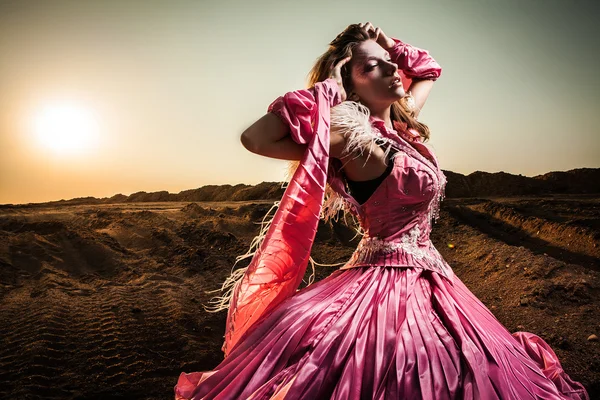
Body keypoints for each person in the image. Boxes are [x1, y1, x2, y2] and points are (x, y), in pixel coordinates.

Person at [174, 22, 590, 400]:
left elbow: (428, 69)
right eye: (372, 67)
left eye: (391, 64)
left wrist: (387, 45)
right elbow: (255, 137)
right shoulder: (349, 136)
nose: (392, 69)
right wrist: (328, 91)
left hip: (433, 273)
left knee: (472, 362)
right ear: (350, 85)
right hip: (382, 277)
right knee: (400, 367)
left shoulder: (402, 131)